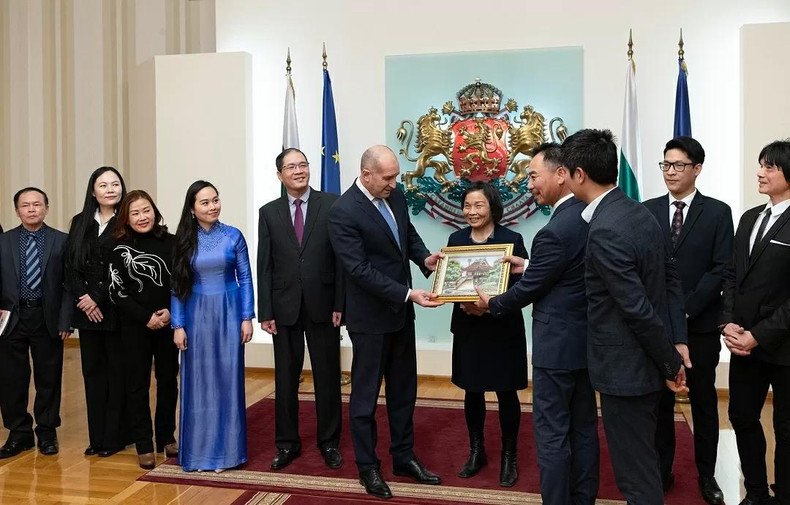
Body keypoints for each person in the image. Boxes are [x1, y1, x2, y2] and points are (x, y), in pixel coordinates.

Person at [562, 128, 690, 505]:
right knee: (644, 462)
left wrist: (670, 362)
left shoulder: (605, 229)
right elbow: (670, 280)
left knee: (634, 475)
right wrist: (674, 345)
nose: (565, 179)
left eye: (566, 172)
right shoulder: (641, 212)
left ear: (579, 175)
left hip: (627, 371)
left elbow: (635, 308)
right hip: (645, 363)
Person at [475, 143, 599, 504]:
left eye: (533, 176)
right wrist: (527, 265)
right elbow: (569, 271)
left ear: (561, 175)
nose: (528, 184)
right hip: (584, 345)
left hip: (556, 351)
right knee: (584, 430)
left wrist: (492, 303)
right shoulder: (586, 216)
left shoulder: (553, 231)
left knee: (552, 434)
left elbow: (528, 291)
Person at [328, 145, 443, 499]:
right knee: (364, 398)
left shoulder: (394, 196)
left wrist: (425, 259)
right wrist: (409, 294)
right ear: (366, 175)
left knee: (404, 390)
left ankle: (403, 457)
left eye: (395, 176)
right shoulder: (343, 212)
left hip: (399, 315)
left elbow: (406, 236)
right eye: (388, 177)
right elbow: (359, 271)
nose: (394, 183)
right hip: (370, 318)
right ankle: (368, 467)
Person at [643, 136, 731, 503]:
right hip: (658, 328)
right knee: (660, 403)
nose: (670, 172)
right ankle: (661, 470)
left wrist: (686, 308)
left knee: (705, 403)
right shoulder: (645, 210)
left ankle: (707, 476)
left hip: (700, 327)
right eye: (665, 164)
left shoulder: (717, 212)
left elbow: (722, 267)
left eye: (678, 165)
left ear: (697, 168)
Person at [258, 148, 344, 471]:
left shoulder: (332, 204)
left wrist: (340, 304)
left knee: (327, 377)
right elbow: (264, 265)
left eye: (303, 165)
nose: (299, 171)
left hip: (324, 306)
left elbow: (340, 259)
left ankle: (330, 442)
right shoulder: (269, 213)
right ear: (280, 175)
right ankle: (287, 444)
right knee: (285, 380)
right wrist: (265, 310)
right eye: (291, 167)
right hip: (284, 309)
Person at [445, 181, 528, 487]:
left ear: (493, 207)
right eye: (467, 206)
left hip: (501, 326)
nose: (472, 211)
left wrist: (491, 307)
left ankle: (509, 455)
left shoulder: (512, 240)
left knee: (506, 392)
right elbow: (450, 282)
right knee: (472, 390)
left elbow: (523, 285)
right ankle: (476, 450)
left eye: (478, 205)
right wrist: (465, 303)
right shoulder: (455, 239)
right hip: (469, 326)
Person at [721, 140, 790, 505]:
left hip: (783, 346)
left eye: (770, 167)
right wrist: (728, 323)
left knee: (786, 428)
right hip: (743, 342)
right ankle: (758, 493)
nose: (760, 173)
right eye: (760, 165)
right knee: (741, 416)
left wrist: (758, 336)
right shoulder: (749, 217)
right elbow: (732, 275)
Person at [171, 180, 254, 473]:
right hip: (196, 314)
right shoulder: (183, 240)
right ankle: (200, 454)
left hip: (230, 313)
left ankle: (228, 454)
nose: (213, 206)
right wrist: (178, 324)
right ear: (192, 210)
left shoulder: (233, 236)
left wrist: (247, 316)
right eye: (205, 202)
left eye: (215, 200)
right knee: (199, 382)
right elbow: (177, 286)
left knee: (228, 380)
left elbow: (245, 278)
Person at [108, 190, 179, 470]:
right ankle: (144, 444)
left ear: (155, 211)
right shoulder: (118, 249)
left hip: (168, 322)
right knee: (137, 386)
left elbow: (182, 282)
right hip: (135, 327)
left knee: (167, 381)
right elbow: (117, 293)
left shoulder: (172, 242)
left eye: (146, 210)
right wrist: (146, 317)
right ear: (126, 218)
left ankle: (166, 436)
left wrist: (171, 312)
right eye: (135, 213)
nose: (142, 217)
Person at [0, 188, 72, 459]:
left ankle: (47, 432)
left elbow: (68, 286)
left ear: (46, 208)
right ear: (16, 210)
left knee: (48, 378)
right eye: (25, 205)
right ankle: (19, 434)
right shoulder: (3, 241)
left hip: (47, 318)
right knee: (11, 380)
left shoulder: (61, 241)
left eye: (37, 204)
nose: (31, 209)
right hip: (10, 320)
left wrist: (65, 319)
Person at [65, 166, 127, 457]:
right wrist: (83, 298)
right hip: (86, 313)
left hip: (116, 310)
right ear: (93, 191)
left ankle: (114, 438)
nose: (110, 189)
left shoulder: (127, 221)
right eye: (103, 185)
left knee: (117, 374)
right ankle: (97, 438)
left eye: (115, 184)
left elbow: (123, 268)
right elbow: (71, 265)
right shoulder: (79, 222)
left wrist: (96, 297)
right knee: (92, 374)